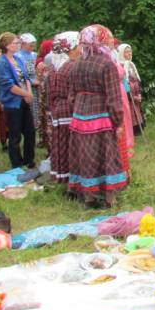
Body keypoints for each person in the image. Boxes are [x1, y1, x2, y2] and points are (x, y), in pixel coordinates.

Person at [67, 24, 129, 207]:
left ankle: (89, 196)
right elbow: (113, 97)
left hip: (80, 116)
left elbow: (71, 96)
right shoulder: (107, 64)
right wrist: (118, 122)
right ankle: (110, 198)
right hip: (101, 116)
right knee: (107, 155)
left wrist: (78, 111)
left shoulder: (76, 64)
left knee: (86, 155)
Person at [0, 32, 36, 170]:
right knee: (15, 134)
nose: (18, 45)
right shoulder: (2, 62)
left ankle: (29, 160)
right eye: (15, 43)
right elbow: (8, 84)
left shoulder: (18, 59)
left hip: (24, 99)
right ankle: (16, 163)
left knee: (30, 131)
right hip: (13, 102)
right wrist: (25, 93)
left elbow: (26, 77)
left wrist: (29, 93)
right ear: (7, 45)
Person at [45, 32, 79, 183]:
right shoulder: (72, 66)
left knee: (60, 142)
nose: (81, 50)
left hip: (57, 110)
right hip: (69, 109)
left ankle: (60, 175)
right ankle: (72, 176)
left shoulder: (54, 66)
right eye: (78, 46)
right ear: (70, 48)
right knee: (70, 144)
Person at [116, 43, 146, 135]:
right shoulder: (119, 66)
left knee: (136, 112)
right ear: (121, 53)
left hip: (136, 94)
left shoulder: (131, 65)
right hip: (128, 96)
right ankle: (129, 133)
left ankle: (137, 131)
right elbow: (124, 83)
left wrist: (139, 93)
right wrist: (132, 96)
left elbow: (137, 79)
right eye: (126, 52)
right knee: (130, 114)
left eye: (130, 52)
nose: (129, 54)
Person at [34, 40, 54, 152]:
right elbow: (40, 80)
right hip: (46, 95)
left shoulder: (44, 61)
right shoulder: (43, 62)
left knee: (46, 121)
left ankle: (46, 143)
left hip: (44, 95)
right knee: (48, 121)